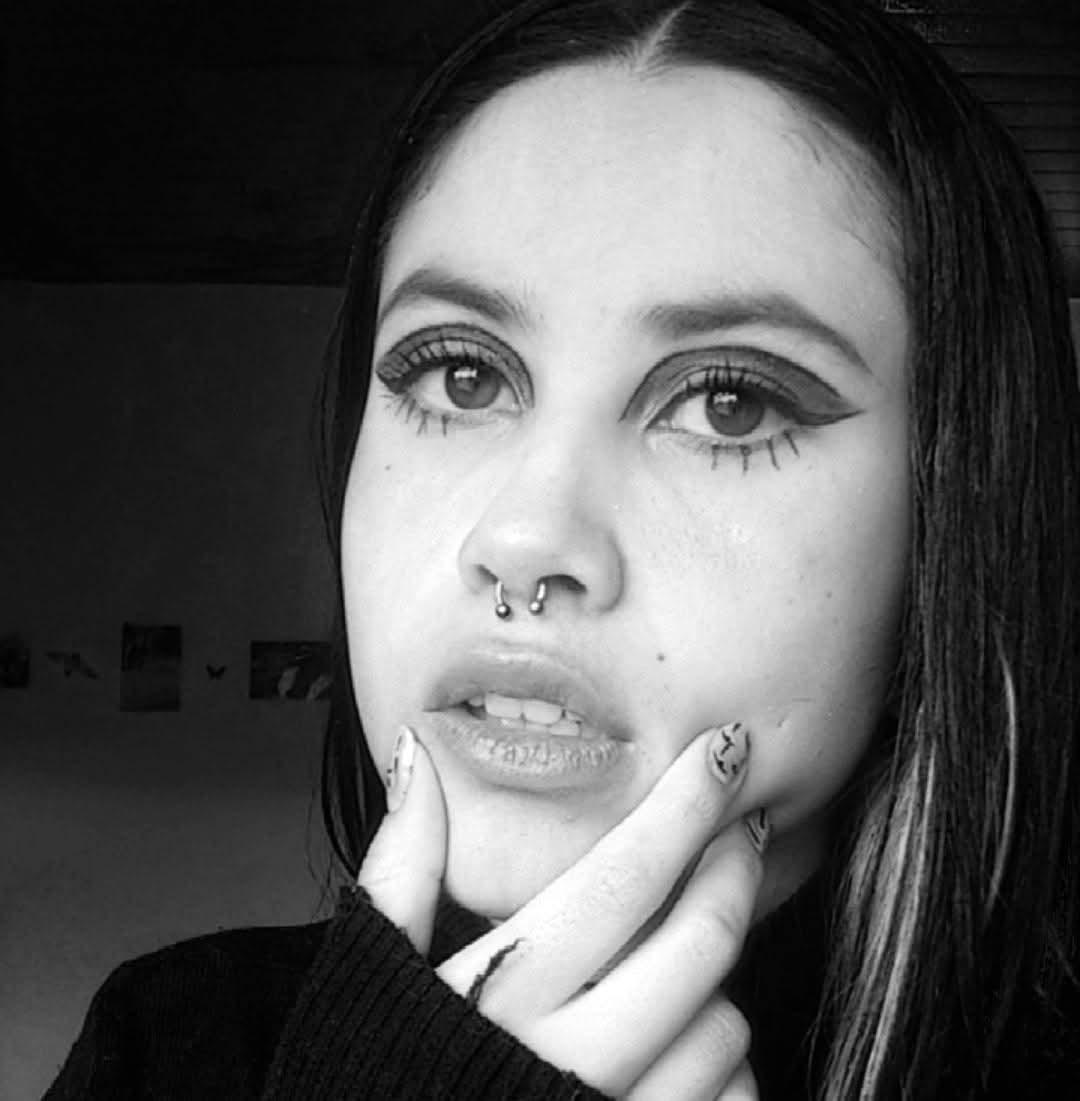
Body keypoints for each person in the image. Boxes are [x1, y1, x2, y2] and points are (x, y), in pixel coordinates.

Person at [45, 0, 1080, 1097]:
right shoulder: (164, 1049)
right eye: (462, 377)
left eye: (729, 403)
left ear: (952, 511)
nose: (524, 539)